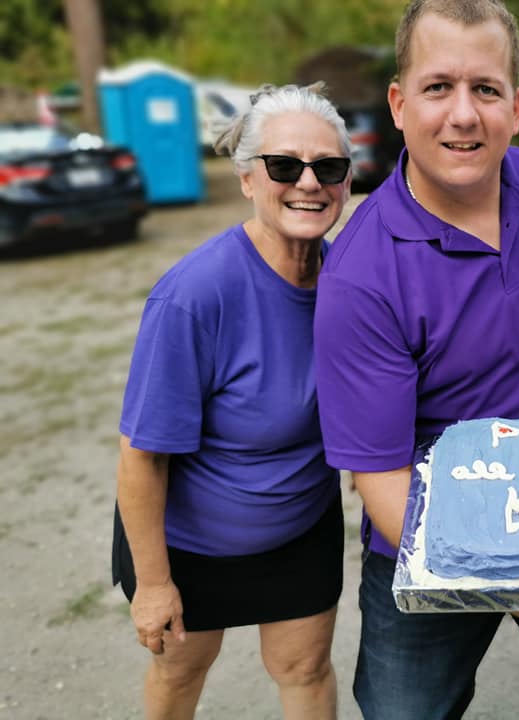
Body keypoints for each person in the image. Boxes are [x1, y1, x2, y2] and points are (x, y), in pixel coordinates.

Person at [312, 2, 519, 718]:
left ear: (516, 107)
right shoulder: (362, 272)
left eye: (486, 89)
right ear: (399, 105)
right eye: (438, 87)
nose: (464, 114)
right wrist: (509, 585)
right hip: (426, 528)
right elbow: (380, 477)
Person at [112, 82, 352, 719]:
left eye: (328, 167)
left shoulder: (353, 284)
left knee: (305, 670)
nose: (309, 182)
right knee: (180, 675)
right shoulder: (195, 296)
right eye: (284, 166)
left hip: (301, 528)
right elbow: (141, 455)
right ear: (247, 179)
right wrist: (154, 585)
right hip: (190, 544)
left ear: (347, 181)